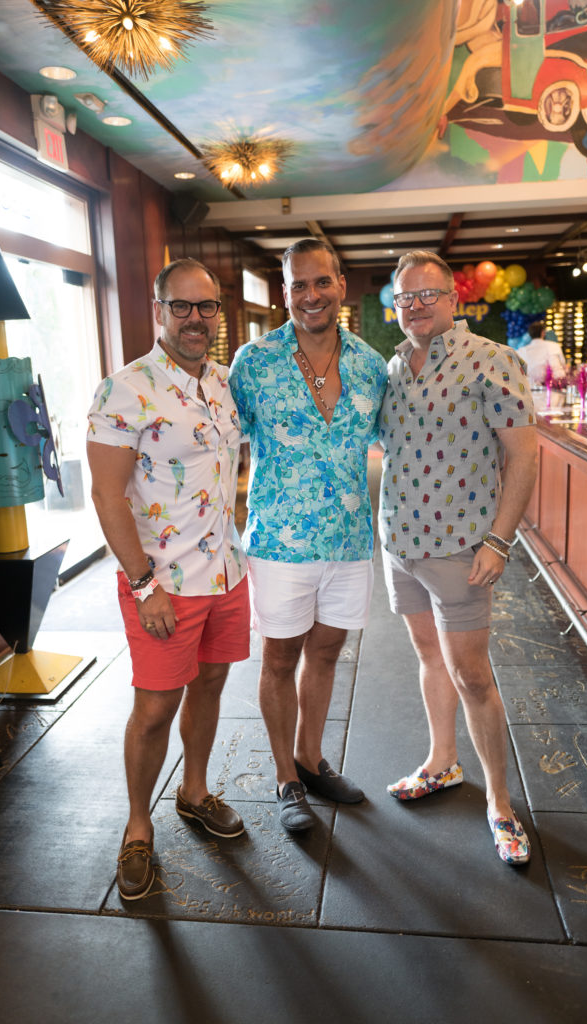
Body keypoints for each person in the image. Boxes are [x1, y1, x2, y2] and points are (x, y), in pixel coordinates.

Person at [87, 257, 250, 900]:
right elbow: (107, 496)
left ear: (218, 311)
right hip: (163, 583)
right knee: (155, 706)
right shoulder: (124, 389)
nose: (195, 318)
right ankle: (136, 827)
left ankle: (195, 790)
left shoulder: (222, 382)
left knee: (210, 685)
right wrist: (141, 584)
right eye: (181, 306)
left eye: (206, 306)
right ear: (159, 311)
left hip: (225, 573)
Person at [379, 250, 538, 866]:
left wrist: (499, 540)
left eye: (427, 294)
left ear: (453, 297)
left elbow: (523, 457)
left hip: (462, 548)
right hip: (400, 543)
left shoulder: (491, 360)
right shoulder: (392, 369)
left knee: (474, 675)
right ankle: (442, 763)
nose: (415, 305)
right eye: (404, 297)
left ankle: (499, 802)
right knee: (427, 656)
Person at [229, 239, 388, 833]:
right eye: (299, 285)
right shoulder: (254, 363)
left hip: (349, 541)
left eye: (321, 282)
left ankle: (310, 757)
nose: (311, 295)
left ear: (341, 284)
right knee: (279, 659)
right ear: (285, 290)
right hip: (279, 542)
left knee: (326, 653)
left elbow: (395, 442)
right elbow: (221, 445)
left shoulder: (373, 366)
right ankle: (285, 779)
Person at [519, 321, 567, 388]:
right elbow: (563, 365)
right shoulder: (554, 346)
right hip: (555, 387)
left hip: (530, 387)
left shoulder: (521, 351)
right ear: (543, 333)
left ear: (529, 335)